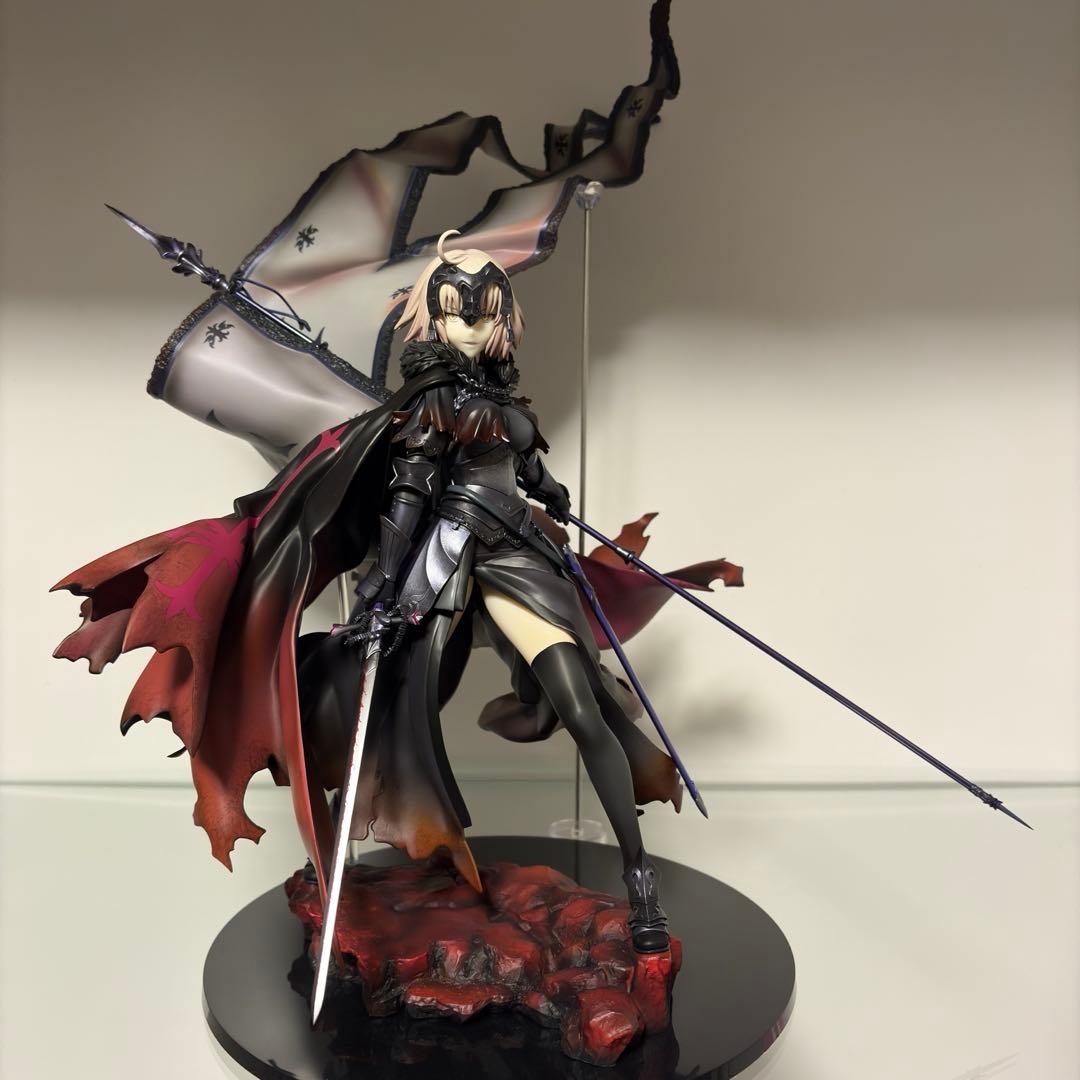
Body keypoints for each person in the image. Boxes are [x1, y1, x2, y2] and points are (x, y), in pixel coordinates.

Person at [51, 230, 682, 954]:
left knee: (582, 701)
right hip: (450, 553)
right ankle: (341, 829)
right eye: (454, 310)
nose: (468, 324)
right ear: (433, 314)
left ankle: (638, 874)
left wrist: (551, 489)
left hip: (518, 551)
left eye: (482, 311)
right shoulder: (432, 397)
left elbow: (519, 462)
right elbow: (409, 493)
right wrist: (384, 583)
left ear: (503, 316)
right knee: (385, 695)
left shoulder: (495, 388)